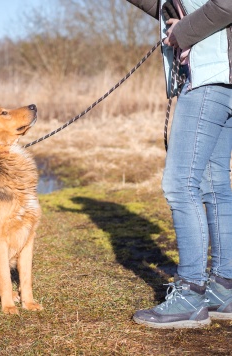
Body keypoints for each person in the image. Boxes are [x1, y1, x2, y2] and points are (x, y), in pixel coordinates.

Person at [126, 0, 232, 328]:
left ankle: (190, 292)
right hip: (222, 78)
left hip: (209, 78)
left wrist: (181, 33)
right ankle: (223, 288)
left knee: (179, 185)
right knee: (215, 184)